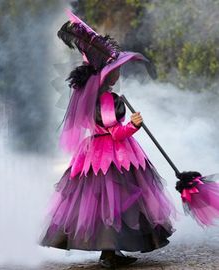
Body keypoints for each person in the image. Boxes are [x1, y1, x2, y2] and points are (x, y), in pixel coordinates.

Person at [39, 11, 177, 269]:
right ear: (107, 75)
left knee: (103, 202)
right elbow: (115, 132)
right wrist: (133, 126)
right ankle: (110, 254)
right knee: (118, 200)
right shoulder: (108, 100)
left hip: (94, 154)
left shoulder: (94, 99)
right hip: (114, 154)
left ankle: (111, 252)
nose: (119, 74)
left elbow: (97, 126)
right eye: (116, 70)